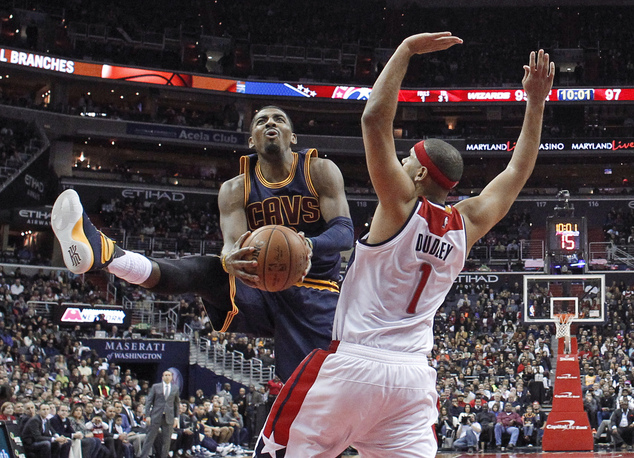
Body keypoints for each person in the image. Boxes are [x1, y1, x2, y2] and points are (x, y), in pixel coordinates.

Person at [251, 32, 554, 456]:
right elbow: (518, 170)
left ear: (417, 176)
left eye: (407, 160)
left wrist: (406, 50)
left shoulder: (399, 204)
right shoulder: (469, 223)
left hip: (354, 365)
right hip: (412, 382)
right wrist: (536, 102)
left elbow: (373, 118)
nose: (401, 163)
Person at [51, 105, 354, 382]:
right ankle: (107, 254)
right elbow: (231, 246)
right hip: (263, 287)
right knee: (206, 270)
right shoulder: (235, 189)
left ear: (292, 136)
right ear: (252, 140)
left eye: (279, 120)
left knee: (311, 393)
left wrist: (308, 246)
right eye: (261, 121)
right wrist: (228, 260)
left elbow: (344, 231)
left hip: (316, 290)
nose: (270, 124)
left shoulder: (318, 171)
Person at [139, 370, 179, 458]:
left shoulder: (175, 388)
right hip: (156, 415)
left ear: (171, 377)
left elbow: (176, 404)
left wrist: (176, 418)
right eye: (165, 375)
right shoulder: (155, 387)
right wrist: (148, 415)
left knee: (167, 440)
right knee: (149, 438)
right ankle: (143, 456)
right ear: (162, 377)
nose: (167, 377)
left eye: (169, 375)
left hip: (169, 416)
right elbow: (149, 402)